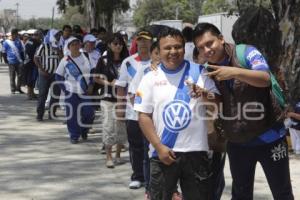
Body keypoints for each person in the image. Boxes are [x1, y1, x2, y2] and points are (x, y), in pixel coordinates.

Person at [192, 22, 294, 200]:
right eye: (201, 48)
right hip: (238, 142)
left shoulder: (245, 52)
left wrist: (234, 72)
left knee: (282, 193)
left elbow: (264, 78)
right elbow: (217, 106)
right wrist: (204, 95)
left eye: (210, 43)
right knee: (240, 195)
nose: (207, 50)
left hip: (270, 136)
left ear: (221, 39)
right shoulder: (206, 71)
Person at [134, 27, 220, 200]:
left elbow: (217, 101)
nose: (173, 51)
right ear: (158, 51)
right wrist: (159, 147)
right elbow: (143, 116)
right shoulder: (150, 77)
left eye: (178, 47)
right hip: (163, 153)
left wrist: (203, 94)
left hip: (196, 152)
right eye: (167, 48)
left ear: (184, 48)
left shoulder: (199, 72)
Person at [115, 30, 153, 189]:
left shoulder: (156, 61)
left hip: (152, 112)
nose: (143, 43)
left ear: (151, 42)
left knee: (150, 146)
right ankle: (137, 176)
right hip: (133, 113)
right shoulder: (128, 62)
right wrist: (120, 109)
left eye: (146, 40)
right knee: (136, 146)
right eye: (140, 40)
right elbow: (121, 87)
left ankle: (151, 178)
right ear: (136, 42)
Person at [94, 33, 129, 168]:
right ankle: (108, 156)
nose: (118, 45)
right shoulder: (103, 60)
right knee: (109, 127)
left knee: (121, 128)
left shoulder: (127, 60)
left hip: (123, 100)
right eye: (115, 43)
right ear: (109, 45)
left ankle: (118, 155)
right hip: (108, 99)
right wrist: (109, 83)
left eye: (120, 43)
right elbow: (96, 78)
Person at [55, 37, 95, 144]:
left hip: (85, 91)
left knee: (89, 113)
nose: (76, 46)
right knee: (72, 115)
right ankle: (74, 135)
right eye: (73, 44)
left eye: (77, 43)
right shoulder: (65, 60)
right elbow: (58, 77)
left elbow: (92, 72)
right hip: (71, 91)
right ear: (69, 47)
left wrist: (91, 84)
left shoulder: (86, 56)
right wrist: (65, 90)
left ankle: (84, 130)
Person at [34, 29, 61, 121]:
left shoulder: (58, 46)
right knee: (42, 94)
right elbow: (36, 58)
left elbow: (62, 59)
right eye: (57, 35)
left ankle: (52, 113)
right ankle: (40, 114)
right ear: (52, 36)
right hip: (44, 74)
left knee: (55, 94)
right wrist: (41, 70)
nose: (58, 37)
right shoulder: (44, 46)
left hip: (56, 75)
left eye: (59, 35)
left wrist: (58, 51)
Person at [2, 28, 25, 94]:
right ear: (13, 34)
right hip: (11, 61)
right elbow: (3, 52)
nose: (17, 35)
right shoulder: (6, 42)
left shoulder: (19, 41)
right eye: (16, 34)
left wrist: (22, 60)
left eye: (17, 34)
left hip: (19, 61)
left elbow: (21, 51)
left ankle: (18, 88)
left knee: (20, 76)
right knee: (12, 76)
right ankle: (13, 89)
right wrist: (6, 60)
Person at [24, 30, 43, 100]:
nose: (41, 37)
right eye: (40, 36)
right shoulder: (31, 41)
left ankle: (32, 93)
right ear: (36, 35)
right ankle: (29, 93)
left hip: (34, 63)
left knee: (33, 79)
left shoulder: (37, 42)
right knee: (30, 79)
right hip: (30, 63)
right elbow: (30, 52)